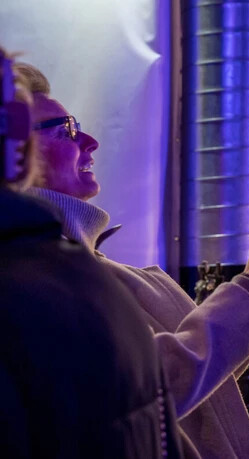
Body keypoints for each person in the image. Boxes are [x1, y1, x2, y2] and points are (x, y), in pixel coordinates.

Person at [19, 62, 249, 458]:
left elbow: (200, 390)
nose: (89, 141)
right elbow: (146, 390)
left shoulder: (82, 265)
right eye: (66, 128)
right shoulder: (39, 278)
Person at [0, 48, 182, 458]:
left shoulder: (81, 279)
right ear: (20, 152)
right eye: (65, 130)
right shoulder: (84, 287)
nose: (90, 141)